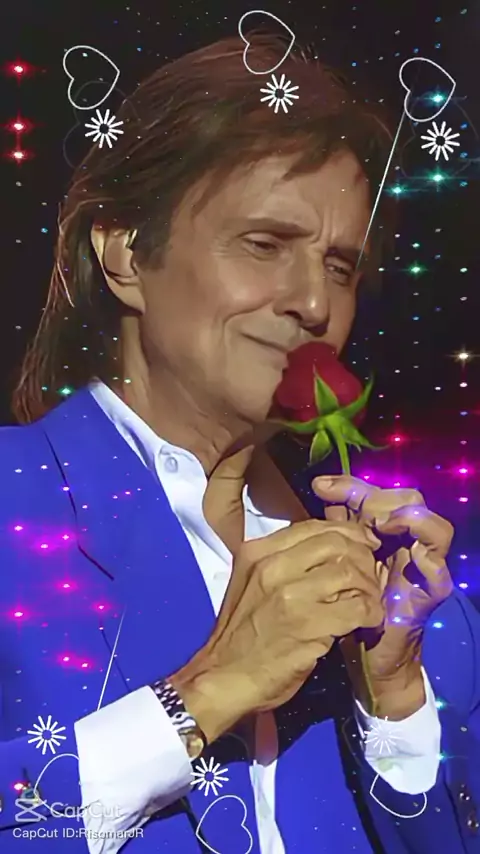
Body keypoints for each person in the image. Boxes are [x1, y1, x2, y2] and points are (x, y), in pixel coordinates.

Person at [1, 33, 479, 854]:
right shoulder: (18, 509)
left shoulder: (417, 598)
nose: (313, 304)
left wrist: (394, 703)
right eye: (265, 244)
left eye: (340, 266)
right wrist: (207, 691)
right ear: (124, 252)